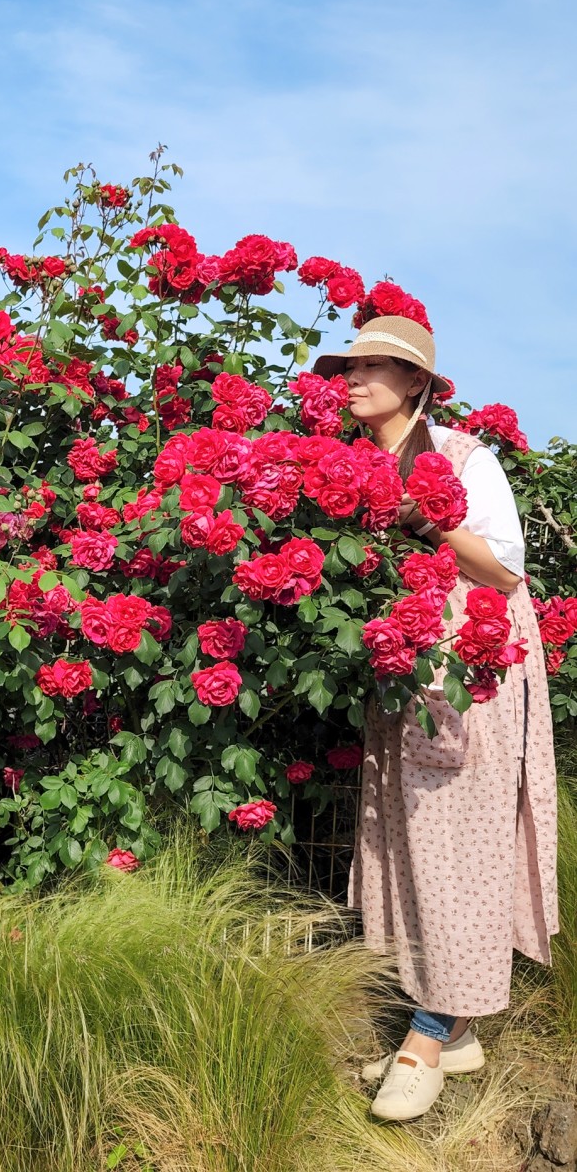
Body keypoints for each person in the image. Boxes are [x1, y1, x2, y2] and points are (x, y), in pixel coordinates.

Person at [314, 315, 558, 1122]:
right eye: (349, 366)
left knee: (462, 840)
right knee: (407, 837)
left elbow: (506, 570)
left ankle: (425, 1038)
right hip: (400, 672)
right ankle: (450, 1029)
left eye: (376, 367)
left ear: (416, 382)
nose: (354, 379)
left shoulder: (461, 457)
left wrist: (426, 515)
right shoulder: (347, 464)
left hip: (467, 671)